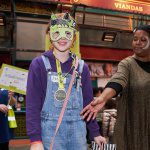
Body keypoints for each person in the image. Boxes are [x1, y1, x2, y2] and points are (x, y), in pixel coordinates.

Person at [26, 12, 106, 150]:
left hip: (78, 132)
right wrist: (35, 139)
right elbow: (33, 105)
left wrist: (95, 132)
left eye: (68, 33)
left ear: (74, 37)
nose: (62, 38)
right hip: (50, 132)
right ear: (50, 36)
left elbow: (88, 104)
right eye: (57, 33)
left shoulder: (82, 67)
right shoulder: (38, 64)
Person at [81, 24, 150, 150]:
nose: (138, 43)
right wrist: (103, 98)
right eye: (135, 39)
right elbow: (118, 81)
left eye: (143, 40)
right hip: (131, 133)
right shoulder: (128, 64)